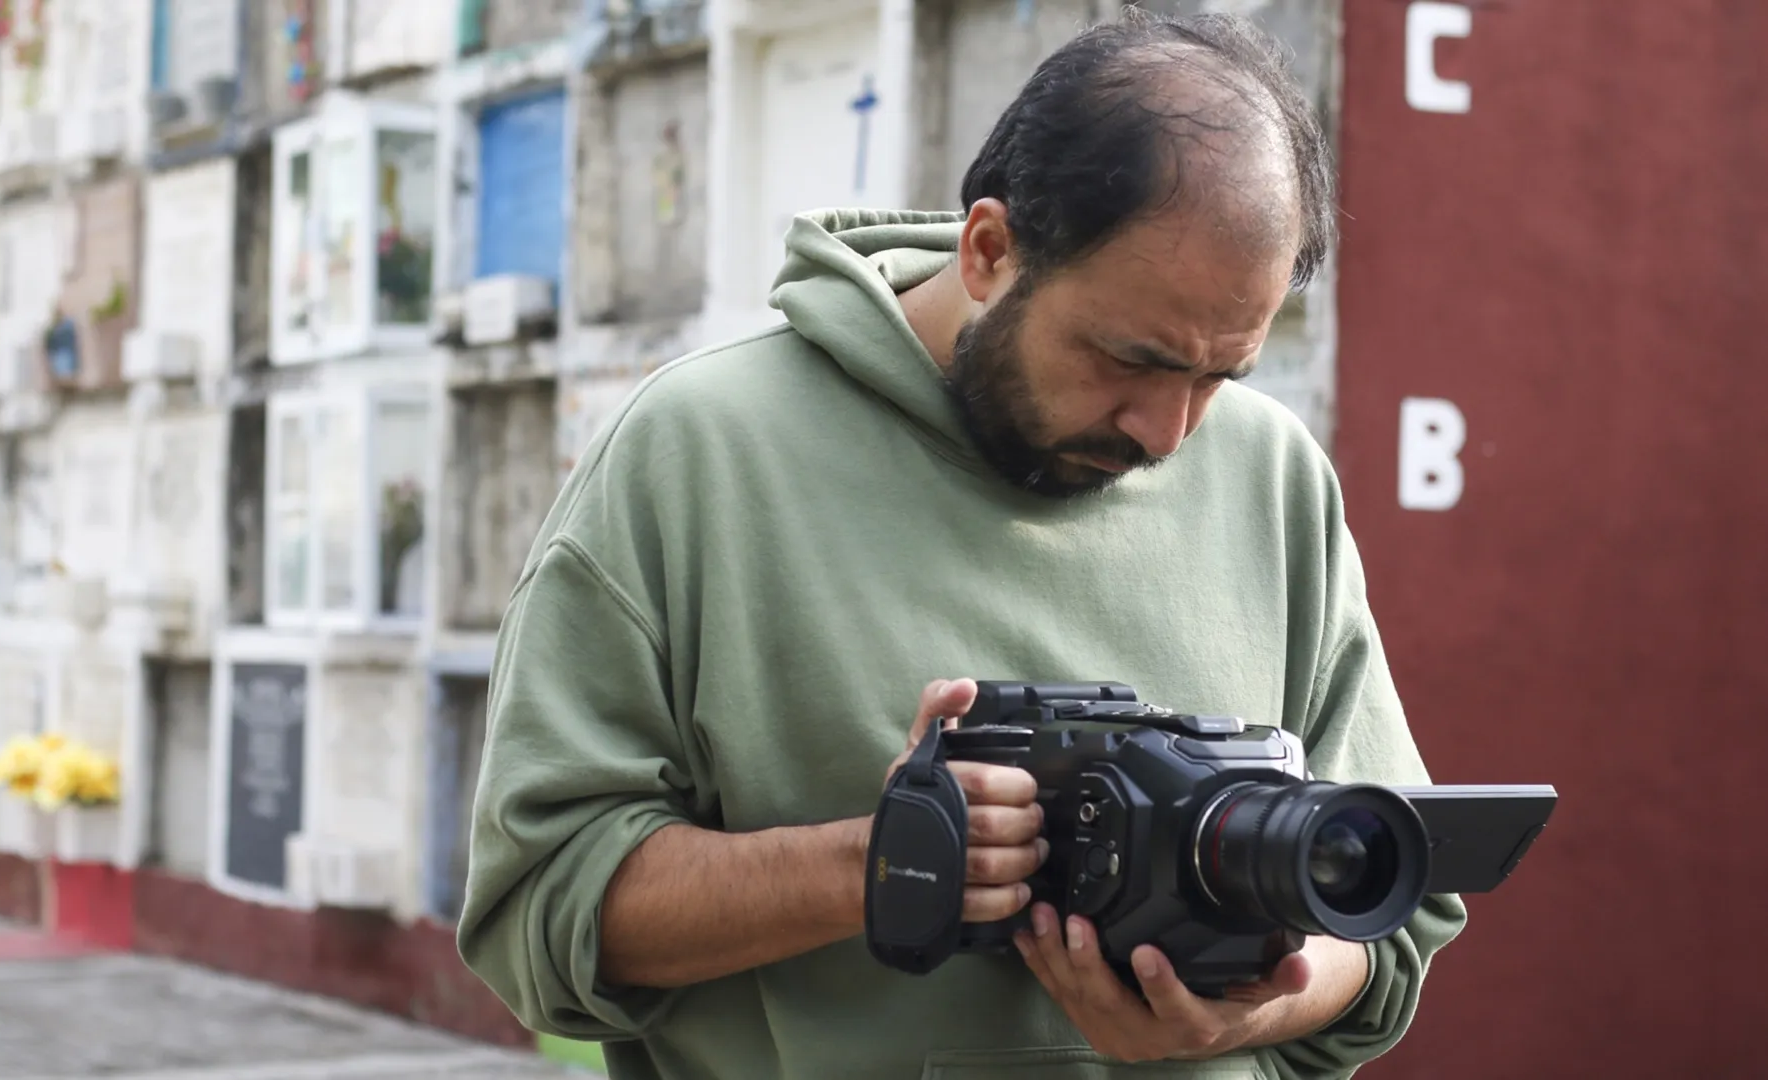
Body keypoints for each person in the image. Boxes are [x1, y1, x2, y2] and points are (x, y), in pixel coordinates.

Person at [456, 8, 1466, 1078]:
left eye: (1219, 375)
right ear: (989, 250)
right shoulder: (696, 452)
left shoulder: (1274, 476)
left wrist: (1250, 1015)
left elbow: (1389, 903)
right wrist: (877, 863)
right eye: (1129, 358)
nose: (1167, 432)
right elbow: (538, 910)